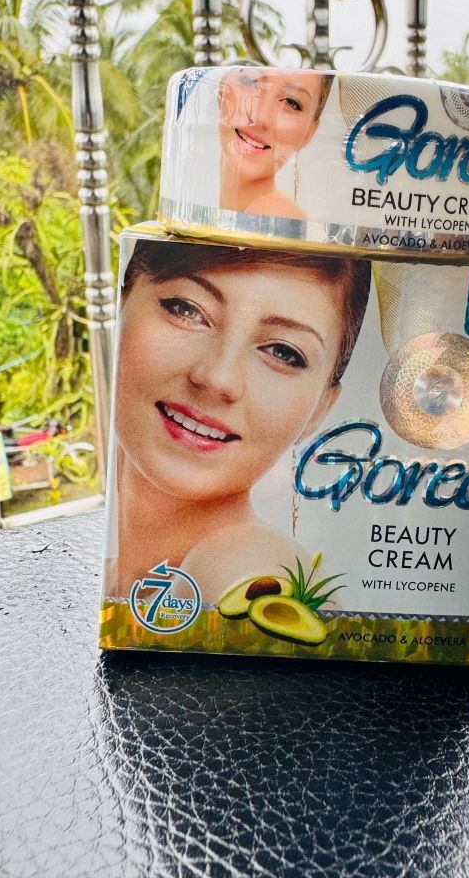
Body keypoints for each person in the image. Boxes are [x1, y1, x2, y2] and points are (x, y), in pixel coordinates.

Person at [109, 239, 371, 604]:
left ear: (321, 410)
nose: (218, 378)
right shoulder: (104, 577)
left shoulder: (244, 568)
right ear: (121, 304)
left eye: (283, 352)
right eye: (186, 310)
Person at [214, 65, 333, 220]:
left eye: (291, 102)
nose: (261, 118)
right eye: (250, 81)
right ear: (222, 90)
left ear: (309, 133)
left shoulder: (270, 216)